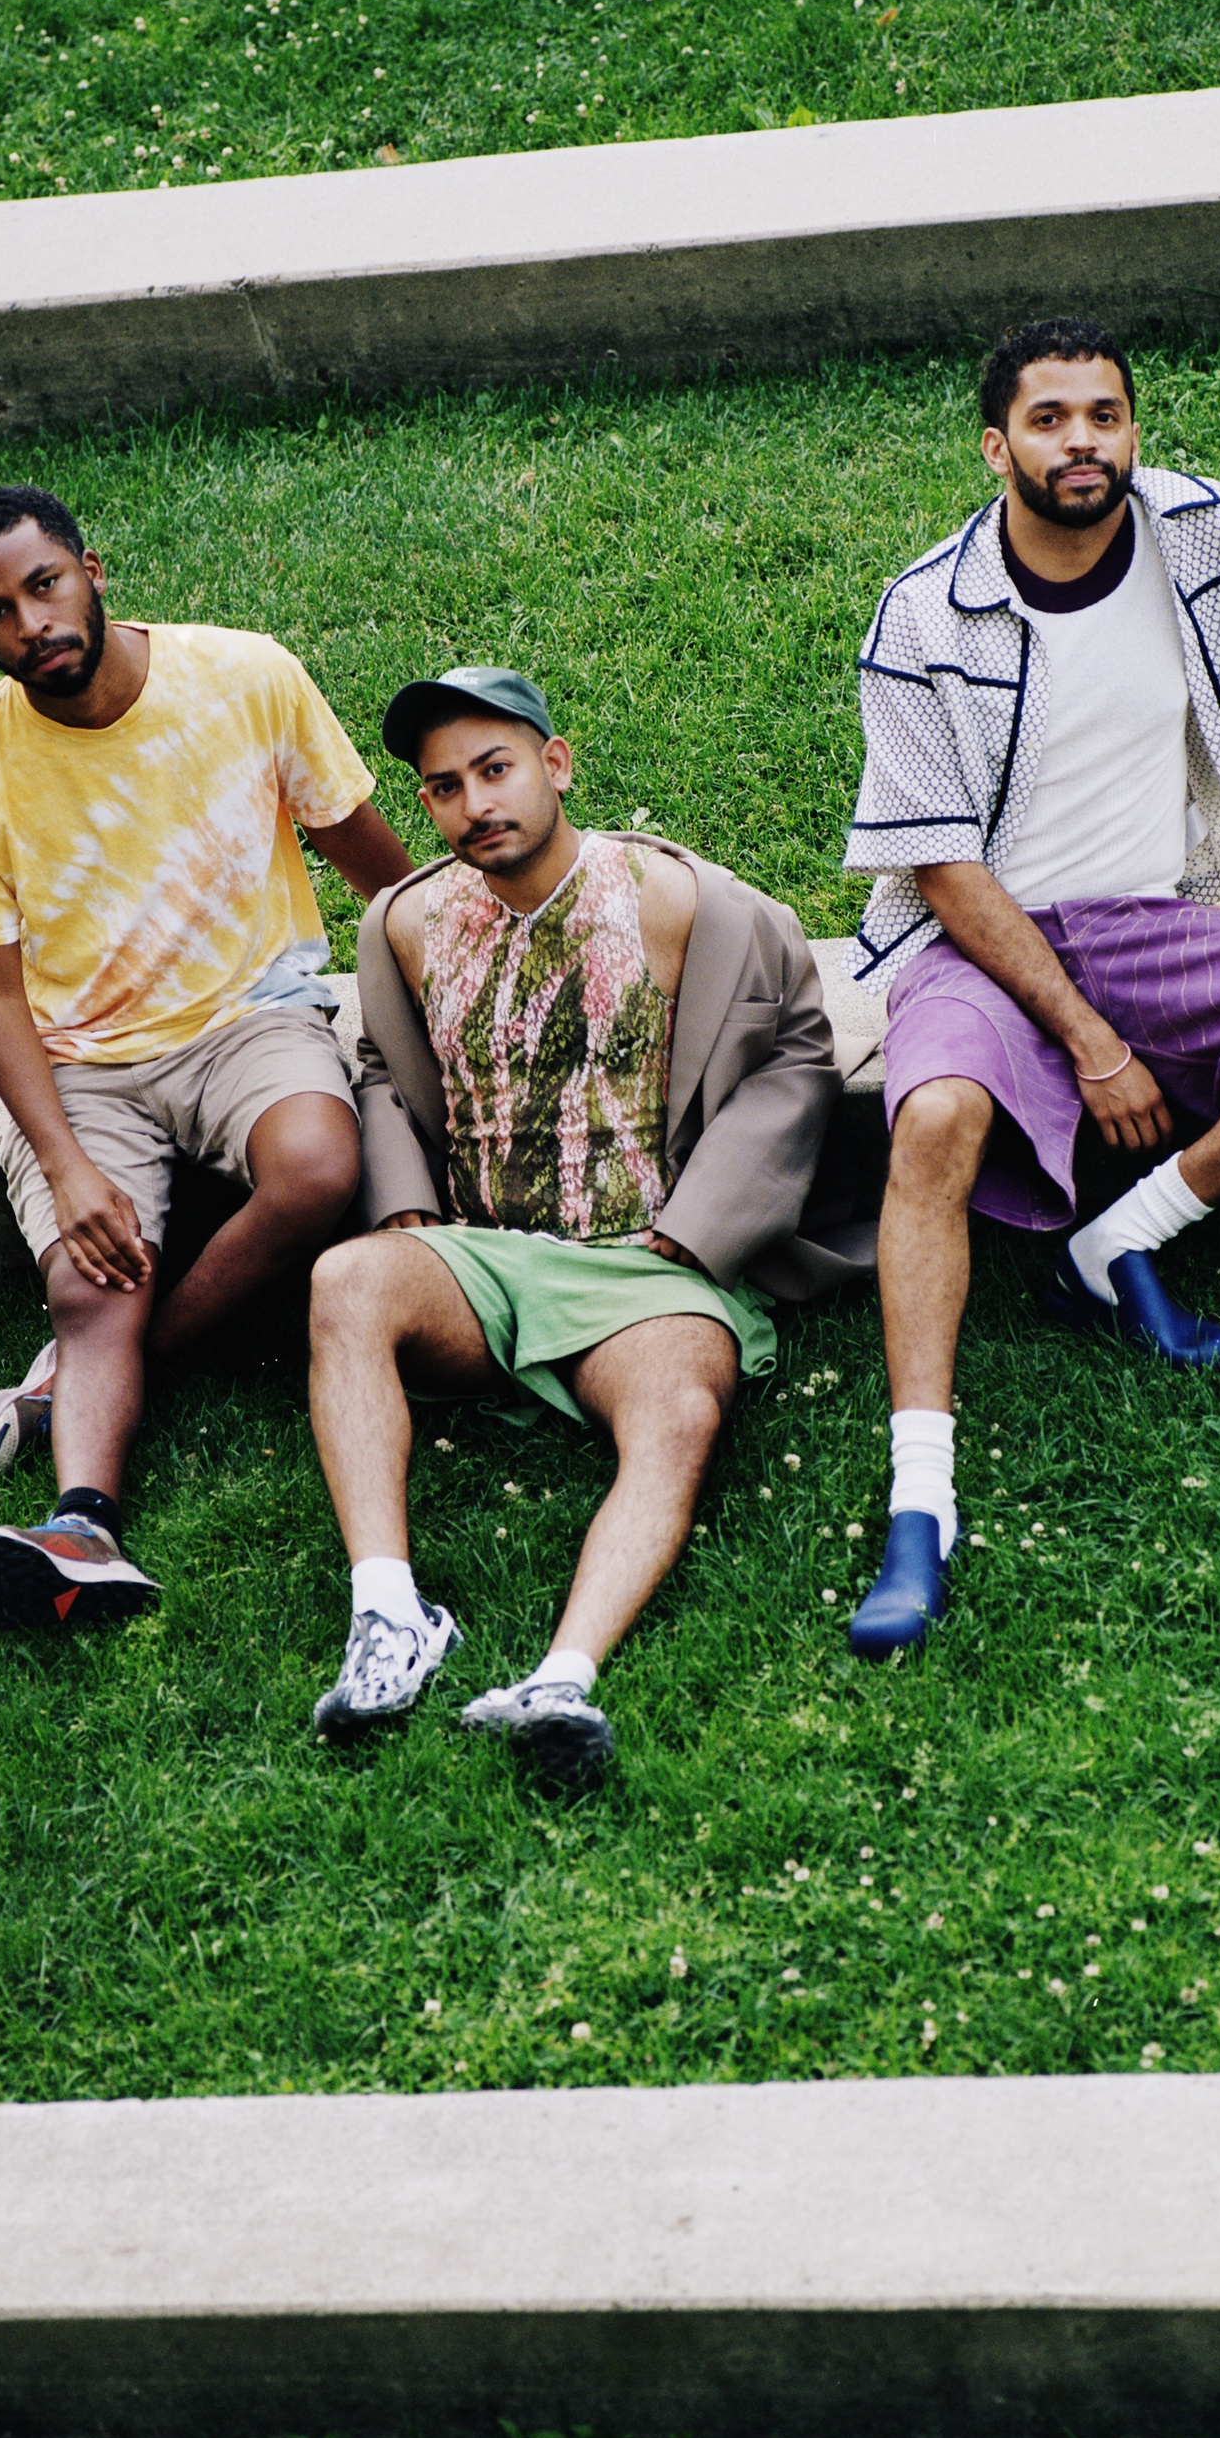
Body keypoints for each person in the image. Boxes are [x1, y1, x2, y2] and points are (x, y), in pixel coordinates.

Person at [840, 316, 1220, 1658]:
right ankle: (918, 1509)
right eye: (1049, 420)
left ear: (1133, 433)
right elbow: (938, 861)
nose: (1081, 443)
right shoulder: (925, 610)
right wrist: (1087, 1036)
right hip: (985, 939)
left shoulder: (1196, 532)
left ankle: (1121, 1241)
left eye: (1104, 416)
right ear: (997, 447)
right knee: (933, 1119)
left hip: (1153, 917)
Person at [304, 666, 847, 1777]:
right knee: (344, 1282)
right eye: (443, 788)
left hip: (649, 1264)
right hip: (482, 1260)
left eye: (494, 770)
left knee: (679, 1414)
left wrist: (697, 1230)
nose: (473, 805)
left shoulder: (683, 901)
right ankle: (390, 1615)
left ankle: (562, 1676)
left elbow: (798, 1048)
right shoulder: (402, 922)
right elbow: (374, 1068)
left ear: (556, 765)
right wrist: (403, 1198)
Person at [0, 484, 414, 1630]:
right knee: (89, 1280)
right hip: (83, 1062)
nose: (29, 624)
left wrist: (473, 947)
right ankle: (82, 1522)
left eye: (43, 586)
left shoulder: (242, 677)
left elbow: (369, 859)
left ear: (92, 569)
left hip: (249, 1015)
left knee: (318, 1167)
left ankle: (104, 1372)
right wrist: (68, 1166)